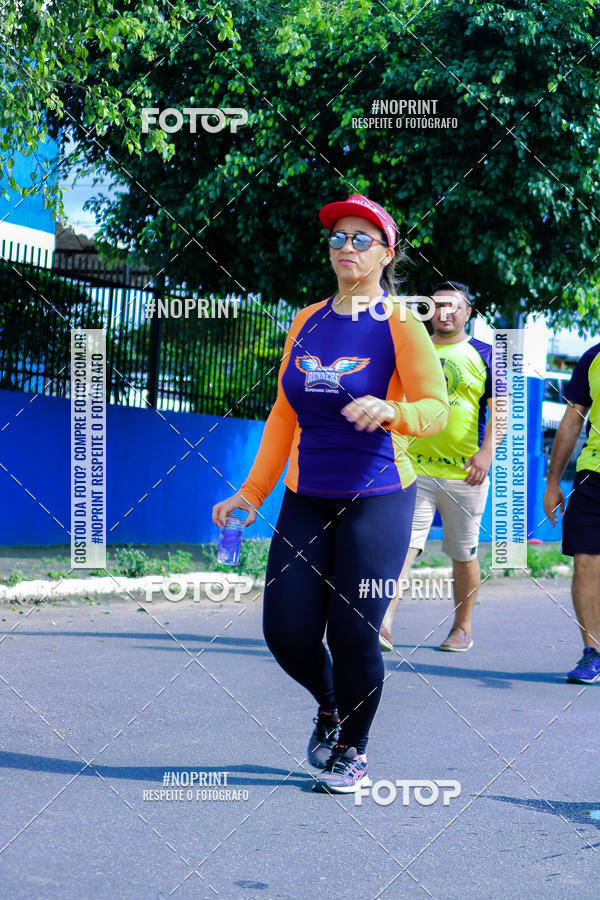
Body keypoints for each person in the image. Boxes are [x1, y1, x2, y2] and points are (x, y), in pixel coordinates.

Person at [212, 194, 449, 793]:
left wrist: (392, 409)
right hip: (306, 495)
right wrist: (252, 493)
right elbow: (282, 417)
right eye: (337, 237)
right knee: (286, 630)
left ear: (386, 253)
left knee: (353, 632)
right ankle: (329, 703)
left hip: (378, 496)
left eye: (360, 238)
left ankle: (353, 749)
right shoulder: (307, 320)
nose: (346, 247)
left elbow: (436, 409)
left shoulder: (401, 321)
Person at [379, 282, 502, 653]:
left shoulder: (485, 353)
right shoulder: (414, 348)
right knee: (403, 546)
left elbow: (500, 409)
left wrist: (486, 454)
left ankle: (462, 628)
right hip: (412, 468)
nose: (444, 312)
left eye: (453, 307)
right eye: (437, 306)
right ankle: (383, 624)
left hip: (466, 473)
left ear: (467, 312)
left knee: (463, 553)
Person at [543, 343, 600, 683]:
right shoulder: (592, 358)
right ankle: (593, 652)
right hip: (593, 473)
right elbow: (571, 420)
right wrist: (553, 481)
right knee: (586, 559)